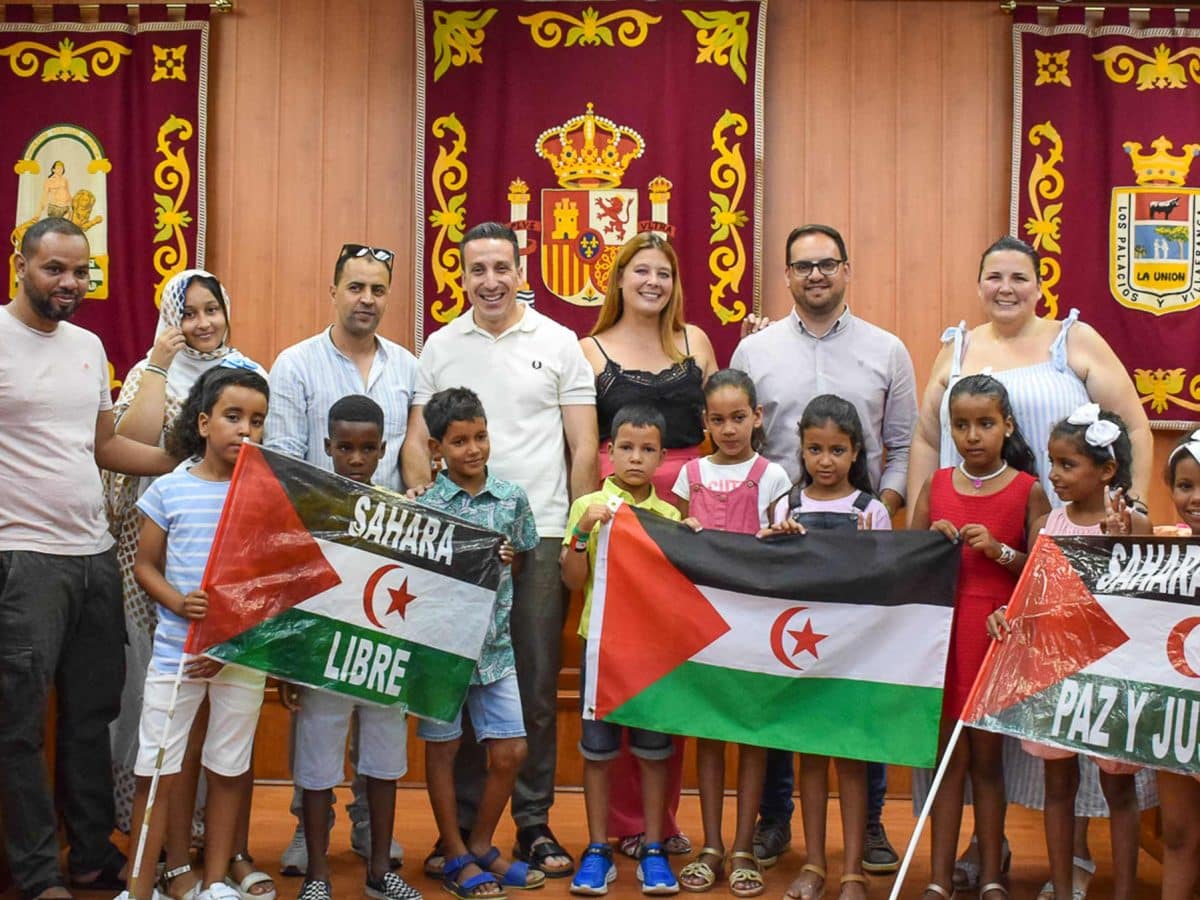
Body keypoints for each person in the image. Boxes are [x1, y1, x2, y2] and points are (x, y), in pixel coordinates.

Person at [906, 235, 1157, 891]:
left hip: (1070, 545)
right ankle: (983, 852)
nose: (1006, 287)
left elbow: (1132, 424)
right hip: (975, 556)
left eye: (1019, 276)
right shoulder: (958, 348)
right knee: (989, 734)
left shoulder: (1075, 340)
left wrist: (1130, 514)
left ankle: (1074, 856)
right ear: (979, 283)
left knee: (1066, 715)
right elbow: (928, 438)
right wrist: (919, 524)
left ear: (1040, 284)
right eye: (994, 276)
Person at [402, 222, 598, 879]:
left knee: (535, 686)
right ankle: (460, 831)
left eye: (501, 268)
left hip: (539, 534)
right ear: (461, 277)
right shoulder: (440, 346)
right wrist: (426, 508)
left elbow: (583, 446)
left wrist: (578, 534)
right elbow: (416, 441)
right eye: (477, 269)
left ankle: (533, 823)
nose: (491, 281)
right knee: (463, 679)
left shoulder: (559, 342)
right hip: (460, 541)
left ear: (521, 271)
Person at [730, 224, 917, 872]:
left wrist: (876, 513)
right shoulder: (753, 350)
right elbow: (739, 443)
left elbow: (902, 445)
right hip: (781, 541)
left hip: (861, 548)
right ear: (786, 274)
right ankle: (775, 818)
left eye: (827, 263)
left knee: (859, 682)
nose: (816, 274)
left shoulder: (888, 349)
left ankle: (869, 825)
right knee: (783, 677)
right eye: (803, 265)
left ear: (846, 269)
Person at [0, 217, 177, 900]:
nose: (70, 283)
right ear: (21, 263)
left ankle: (91, 855)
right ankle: (37, 872)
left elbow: (103, 446)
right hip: (22, 560)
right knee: (18, 727)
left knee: (91, 716)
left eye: (81, 272)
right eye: (55, 269)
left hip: (94, 554)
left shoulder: (88, 345)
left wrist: (183, 460)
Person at [105, 269, 270, 900]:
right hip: (173, 622)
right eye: (189, 312)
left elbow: (272, 570)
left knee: (227, 758)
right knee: (160, 758)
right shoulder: (173, 482)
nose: (202, 322)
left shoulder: (250, 381)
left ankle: (216, 870)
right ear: (203, 421)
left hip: (238, 641)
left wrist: (234, 630)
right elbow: (128, 449)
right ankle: (154, 873)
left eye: (212, 309)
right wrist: (157, 362)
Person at [266, 242, 417, 874]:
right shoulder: (295, 364)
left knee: (376, 691)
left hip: (385, 560)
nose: (367, 299)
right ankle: (309, 829)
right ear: (333, 291)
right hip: (319, 555)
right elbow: (280, 466)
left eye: (378, 289)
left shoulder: (407, 366)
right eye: (356, 287)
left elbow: (412, 460)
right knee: (320, 702)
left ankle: (367, 826)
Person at [580, 231, 716, 860]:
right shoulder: (588, 351)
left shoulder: (697, 343)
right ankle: (625, 822)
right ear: (619, 279)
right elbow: (584, 445)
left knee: (675, 664)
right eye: (641, 271)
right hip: (619, 518)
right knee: (624, 667)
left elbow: (718, 431)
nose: (652, 282)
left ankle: (661, 818)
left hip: (686, 512)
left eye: (663, 272)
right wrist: (588, 519)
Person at [909, 374, 1050, 900]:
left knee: (989, 764)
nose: (973, 435)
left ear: (1007, 425)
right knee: (949, 763)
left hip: (995, 636)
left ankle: (991, 873)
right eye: (961, 425)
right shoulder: (937, 485)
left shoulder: (1027, 489)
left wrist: (999, 550)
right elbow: (907, 560)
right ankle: (939, 877)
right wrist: (930, 542)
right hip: (943, 639)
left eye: (985, 423)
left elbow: (1041, 574)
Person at [1000, 406, 1147, 900]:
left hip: (1113, 675)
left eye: (1068, 464)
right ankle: (1062, 889)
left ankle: (1124, 892)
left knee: (1119, 789)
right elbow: (1033, 594)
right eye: (1052, 463)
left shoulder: (1132, 522)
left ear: (1107, 470)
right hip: (1057, 672)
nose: (1055, 475)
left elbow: (1141, 601)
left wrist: (1125, 541)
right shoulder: (1047, 524)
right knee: (1058, 786)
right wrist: (1005, 612)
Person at [278, 394, 421, 900]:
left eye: (367, 449)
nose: (356, 459)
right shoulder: (310, 507)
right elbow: (293, 587)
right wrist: (288, 664)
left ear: (383, 450)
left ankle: (380, 870)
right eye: (345, 448)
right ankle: (317, 875)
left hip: (383, 660)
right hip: (323, 659)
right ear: (327, 446)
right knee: (317, 768)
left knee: (383, 765)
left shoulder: (402, 514)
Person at [760, 396, 891, 900]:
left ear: (856, 451)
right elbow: (768, 580)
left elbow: (887, 586)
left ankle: (852, 870)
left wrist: (871, 554)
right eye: (815, 449)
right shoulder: (785, 507)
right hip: (802, 652)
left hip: (854, 653)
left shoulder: (872, 511)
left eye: (837, 450)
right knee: (811, 761)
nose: (826, 460)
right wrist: (775, 542)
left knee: (852, 760)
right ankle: (814, 864)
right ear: (802, 449)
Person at [415, 388, 543, 899]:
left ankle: (482, 844)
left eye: (481, 436)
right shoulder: (425, 505)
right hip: (440, 653)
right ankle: (453, 852)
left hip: (494, 649)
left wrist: (510, 557)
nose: (473, 449)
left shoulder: (512, 498)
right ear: (436, 448)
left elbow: (524, 558)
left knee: (511, 751)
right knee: (443, 750)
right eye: (460, 441)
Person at [670, 370, 788, 898]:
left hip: (755, 622)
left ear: (757, 416)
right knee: (710, 734)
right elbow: (674, 545)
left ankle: (744, 846)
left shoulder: (773, 476)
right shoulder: (689, 474)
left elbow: (783, 549)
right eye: (718, 420)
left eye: (739, 417)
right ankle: (712, 845)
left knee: (751, 734)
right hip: (703, 623)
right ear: (705, 422)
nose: (729, 428)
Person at [562, 405, 681, 897]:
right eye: (626, 448)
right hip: (601, 648)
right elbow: (573, 581)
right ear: (609, 452)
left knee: (653, 753)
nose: (636, 458)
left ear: (662, 457)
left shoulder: (671, 517)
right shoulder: (589, 505)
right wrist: (582, 532)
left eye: (647, 449)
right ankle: (597, 848)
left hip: (652, 654)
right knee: (598, 752)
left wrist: (689, 543)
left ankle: (653, 848)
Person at [1159, 431, 1200, 900]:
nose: (1195, 498)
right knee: (1177, 831)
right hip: (1179, 718)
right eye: (1186, 486)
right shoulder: (1159, 554)